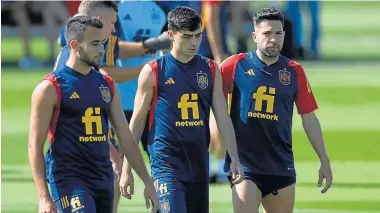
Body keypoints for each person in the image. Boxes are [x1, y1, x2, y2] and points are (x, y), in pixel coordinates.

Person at [28, 16, 159, 213]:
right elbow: (35, 145)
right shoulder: (50, 88)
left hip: (103, 178)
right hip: (68, 179)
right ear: (74, 45)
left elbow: (125, 137)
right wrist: (43, 197)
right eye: (95, 43)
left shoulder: (107, 85)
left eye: (103, 43)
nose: (101, 50)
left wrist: (147, 182)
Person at [216, 7, 333, 213]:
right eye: (267, 33)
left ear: (284, 35)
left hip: (281, 165)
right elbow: (213, 108)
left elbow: (309, 118)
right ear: (254, 36)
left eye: (278, 33)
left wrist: (324, 159)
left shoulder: (294, 71)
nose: (273, 39)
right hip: (246, 166)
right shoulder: (234, 66)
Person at [126, 6, 243, 212]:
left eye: (198, 36)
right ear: (171, 35)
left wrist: (233, 157)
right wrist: (127, 168)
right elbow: (136, 122)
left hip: (198, 163)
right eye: (187, 37)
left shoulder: (210, 69)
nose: (194, 42)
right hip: (166, 164)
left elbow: (222, 116)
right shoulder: (153, 70)